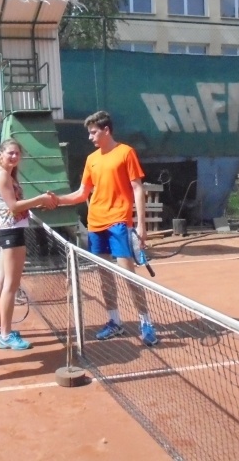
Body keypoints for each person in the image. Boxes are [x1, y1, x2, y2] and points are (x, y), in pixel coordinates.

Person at [52, 110, 158, 346]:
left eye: (93, 132)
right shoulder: (92, 159)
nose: (90, 137)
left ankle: (146, 322)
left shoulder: (126, 153)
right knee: (104, 277)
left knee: (128, 275)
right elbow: (82, 194)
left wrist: (141, 225)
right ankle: (115, 322)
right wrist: (57, 200)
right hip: (95, 223)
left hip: (119, 221)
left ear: (106, 130)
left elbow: (137, 188)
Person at [0, 138, 57, 350]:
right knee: (10, 284)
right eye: (10, 153)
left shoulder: (4, 174)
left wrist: (37, 203)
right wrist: (40, 199)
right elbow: (13, 206)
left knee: (2, 281)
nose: (14, 156)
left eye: (17, 153)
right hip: (10, 232)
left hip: (7, 230)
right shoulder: (2, 176)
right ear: (1, 154)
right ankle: (5, 336)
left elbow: (14, 206)